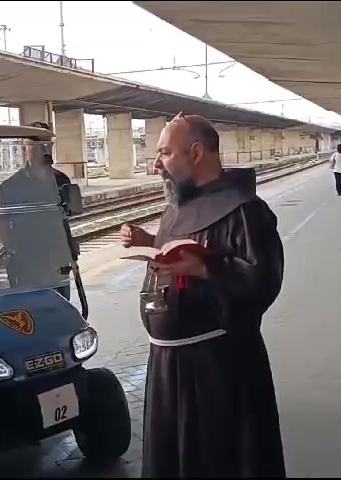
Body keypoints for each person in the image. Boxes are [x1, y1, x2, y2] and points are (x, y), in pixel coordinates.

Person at [120, 113, 286, 478]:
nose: (156, 164)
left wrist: (208, 269)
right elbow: (175, 249)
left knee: (216, 459)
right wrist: (150, 242)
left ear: (195, 153)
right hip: (167, 363)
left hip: (217, 366)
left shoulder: (245, 210)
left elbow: (264, 281)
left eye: (165, 152)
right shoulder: (176, 206)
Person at [0, 121, 72, 299]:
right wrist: (14, 251)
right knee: (30, 305)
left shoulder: (61, 180)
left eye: (45, 143)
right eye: (34, 144)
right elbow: (2, 223)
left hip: (56, 257)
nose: (41, 149)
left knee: (60, 303)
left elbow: (67, 215)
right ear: (25, 148)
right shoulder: (12, 185)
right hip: (27, 259)